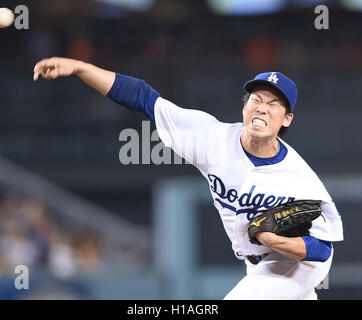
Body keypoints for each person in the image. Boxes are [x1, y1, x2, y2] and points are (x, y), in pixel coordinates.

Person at [33, 58, 343, 300]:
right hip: (257, 265)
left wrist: (275, 240)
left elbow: (323, 249)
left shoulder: (298, 178)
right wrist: (81, 68)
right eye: (256, 98)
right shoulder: (211, 138)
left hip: (296, 266)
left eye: (274, 103)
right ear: (244, 106)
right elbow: (143, 97)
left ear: (287, 118)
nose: (263, 106)